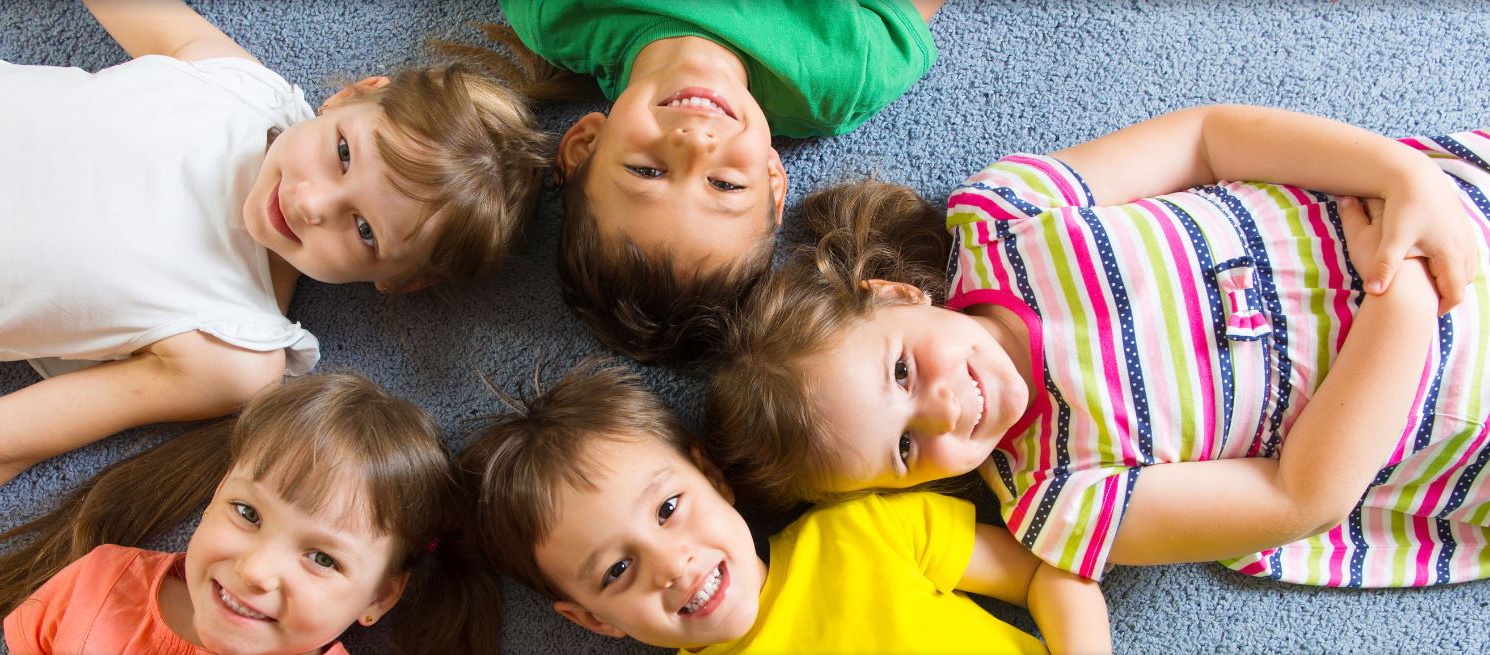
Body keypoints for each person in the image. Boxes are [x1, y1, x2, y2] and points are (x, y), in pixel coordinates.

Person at [0, 0, 549, 574]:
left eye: (363, 231)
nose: (312, 202)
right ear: (352, 94)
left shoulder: (232, 348)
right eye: (343, 153)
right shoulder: (238, 85)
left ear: (397, 281)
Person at [708, 104, 1490, 588]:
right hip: (1453, 393)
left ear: (894, 293)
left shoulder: (1003, 218)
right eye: (907, 448)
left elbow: (1210, 139)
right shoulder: (1058, 497)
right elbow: (1299, 497)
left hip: (1433, 210)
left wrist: (1401, 176)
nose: (943, 411)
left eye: (904, 370)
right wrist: (1402, 301)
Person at [459, 357, 1108, 654]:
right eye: (617, 570)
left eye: (668, 509)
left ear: (712, 476)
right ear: (595, 621)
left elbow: (1050, 569)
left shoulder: (865, 527)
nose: (672, 564)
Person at [0, 373, 497, 655]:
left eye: (321, 557)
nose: (255, 569)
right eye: (247, 513)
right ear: (215, 495)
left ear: (379, 598)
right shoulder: (100, 582)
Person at [497, 0, 945, 365]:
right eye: (725, 184)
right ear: (772, 180)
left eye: (646, 171)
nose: (695, 144)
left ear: (584, 147)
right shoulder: (842, 74)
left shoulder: (554, 13)